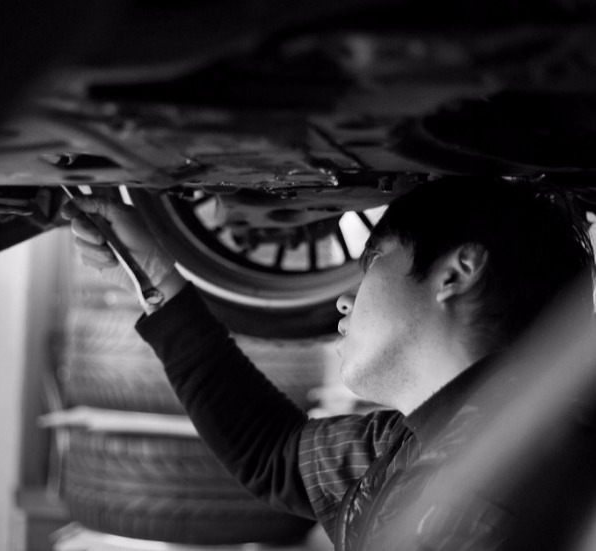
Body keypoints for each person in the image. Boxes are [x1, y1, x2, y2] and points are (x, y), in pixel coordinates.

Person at [62, 177, 594, 550]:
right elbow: (273, 453)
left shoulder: (542, 476)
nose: (344, 300)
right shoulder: (406, 445)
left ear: (456, 273)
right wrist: (155, 275)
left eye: (375, 260)